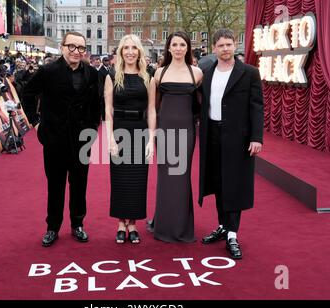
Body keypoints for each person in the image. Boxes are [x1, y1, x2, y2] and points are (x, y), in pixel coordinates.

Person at [23, 31, 101, 247]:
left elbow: (96, 104)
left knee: (79, 184)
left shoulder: (92, 73)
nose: (76, 51)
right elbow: (28, 94)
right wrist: (36, 123)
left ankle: (78, 224)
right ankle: (52, 227)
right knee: (55, 185)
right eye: (72, 47)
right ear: (62, 47)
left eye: (81, 48)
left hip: (82, 139)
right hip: (55, 138)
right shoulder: (48, 71)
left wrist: (93, 128)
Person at [198, 29, 264, 259]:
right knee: (217, 182)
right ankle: (223, 226)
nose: (226, 49)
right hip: (211, 135)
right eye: (221, 45)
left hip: (238, 138)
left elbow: (257, 107)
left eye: (229, 44)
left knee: (233, 184)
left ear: (234, 45)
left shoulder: (249, 73)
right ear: (214, 48)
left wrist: (257, 137)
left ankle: (232, 234)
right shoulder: (206, 72)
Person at [104, 34, 156, 244]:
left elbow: (152, 110)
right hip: (119, 131)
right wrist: (110, 139)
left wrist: (151, 140)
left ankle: (133, 223)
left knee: (137, 180)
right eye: (126, 48)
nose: (130, 52)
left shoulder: (148, 76)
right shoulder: (111, 75)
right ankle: (120, 223)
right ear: (121, 51)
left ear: (139, 51)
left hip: (140, 131)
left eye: (134, 48)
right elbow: (108, 110)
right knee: (119, 180)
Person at [152, 31, 203, 243]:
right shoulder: (159, 73)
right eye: (175, 44)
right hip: (163, 130)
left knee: (181, 177)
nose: (179, 48)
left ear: (188, 47)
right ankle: (162, 224)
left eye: (183, 44)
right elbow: (154, 106)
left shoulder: (197, 73)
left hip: (186, 131)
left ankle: (181, 226)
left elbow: (200, 105)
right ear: (169, 47)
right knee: (165, 177)